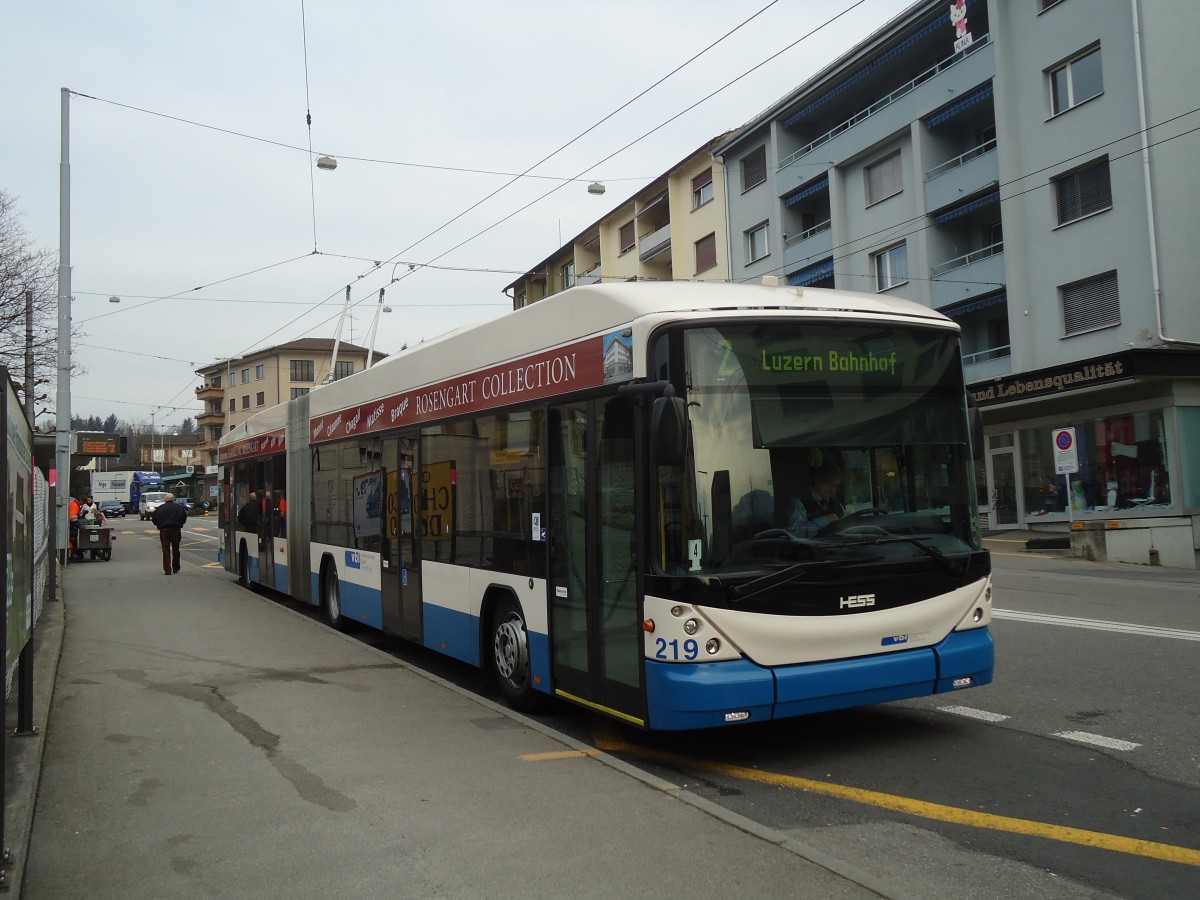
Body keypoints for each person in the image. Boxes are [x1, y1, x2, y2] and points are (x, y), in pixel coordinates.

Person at [785, 465, 845, 538]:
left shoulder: (836, 504)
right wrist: (826, 520)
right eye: (828, 483)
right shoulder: (798, 503)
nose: (831, 489)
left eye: (835, 486)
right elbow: (796, 534)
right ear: (817, 479)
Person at [150, 492, 188, 575]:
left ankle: (167, 569)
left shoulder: (160, 508)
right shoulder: (179, 508)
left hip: (164, 530)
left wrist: (159, 525)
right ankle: (176, 567)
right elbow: (184, 518)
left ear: (165, 500)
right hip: (176, 530)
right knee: (176, 549)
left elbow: (154, 519)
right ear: (173, 499)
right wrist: (180, 524)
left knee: (165, 550)